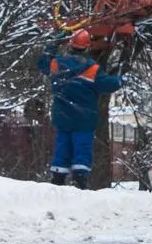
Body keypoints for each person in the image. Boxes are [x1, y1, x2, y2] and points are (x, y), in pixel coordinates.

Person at [36, 30, 124, 188]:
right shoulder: (92, 69)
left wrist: (54, 43)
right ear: (87, 47)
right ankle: (80, 179)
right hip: (84, 118)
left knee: (62, 146)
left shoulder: (57, 64)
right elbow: (109, 84)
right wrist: (120, 78)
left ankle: (58, 178)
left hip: (62, 116)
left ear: (70, 45)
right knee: (82, 148)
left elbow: (43, 63)